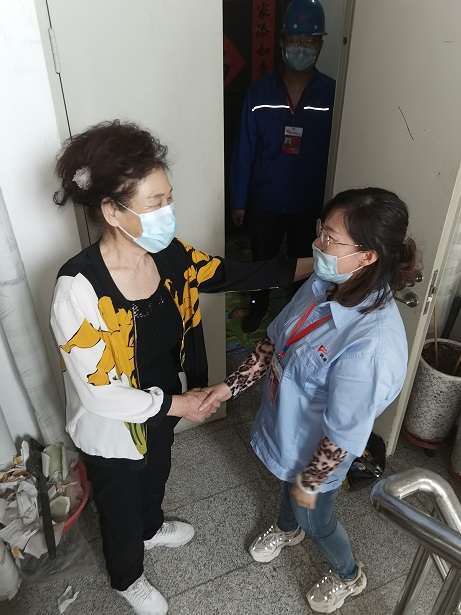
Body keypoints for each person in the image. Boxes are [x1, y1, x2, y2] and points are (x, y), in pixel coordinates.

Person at [50, 120, 313, 615]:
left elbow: (232, 273)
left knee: (157, 472)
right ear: (112, 210)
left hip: (165, 399)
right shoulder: (78, 288)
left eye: (169, 198)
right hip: (115, 425)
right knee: (120, 505)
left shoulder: (169, 255)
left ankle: (151, 528)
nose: (167, 212)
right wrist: (180, 404)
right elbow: (100, 394)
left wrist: (317, 264)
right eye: (155, 203)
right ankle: (128, 578)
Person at [200, 188, 419, 612]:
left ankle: (348, 574)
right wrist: (227, 388)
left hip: (320, 456)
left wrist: (311, 480)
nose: (317, 244)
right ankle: (288, 529)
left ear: (367, 256)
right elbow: (275, 342)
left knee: (316, 519)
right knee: (288, 485)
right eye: (322, 230)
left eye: (330, 239)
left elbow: (342, 433)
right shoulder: (324, 284)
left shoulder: (371, 346)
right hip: (288, 429)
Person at [230, 0, 335, 333]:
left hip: (310, 201)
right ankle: (259, 303)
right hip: (265, 198)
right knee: (262, 259)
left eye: (310, 41)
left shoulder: (332, 94)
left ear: (320, 44)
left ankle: (298, 312)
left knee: (306, 263)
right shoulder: (260, 93)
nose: (302, 47)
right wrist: (238, 200)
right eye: (295, 40)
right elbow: (244, 148)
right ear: (281, 42)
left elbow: (339, 150)